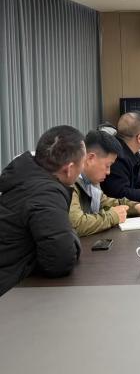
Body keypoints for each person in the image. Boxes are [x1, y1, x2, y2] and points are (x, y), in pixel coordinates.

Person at [0, 126, 85, 296]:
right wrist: (72, 239)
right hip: (10, 294)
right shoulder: (45, 194)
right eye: (82, 163)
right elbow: (60, 260)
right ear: (69, 169)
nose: (83, 168)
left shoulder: (24, 177)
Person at [70, 130, 140, 237]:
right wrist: (113, 216)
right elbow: (77, 225)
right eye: (107, 166)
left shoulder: (90, 181)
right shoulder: (70, 183)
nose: (108, 172)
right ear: (91, 158)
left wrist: (136, 207)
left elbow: (105, 202)